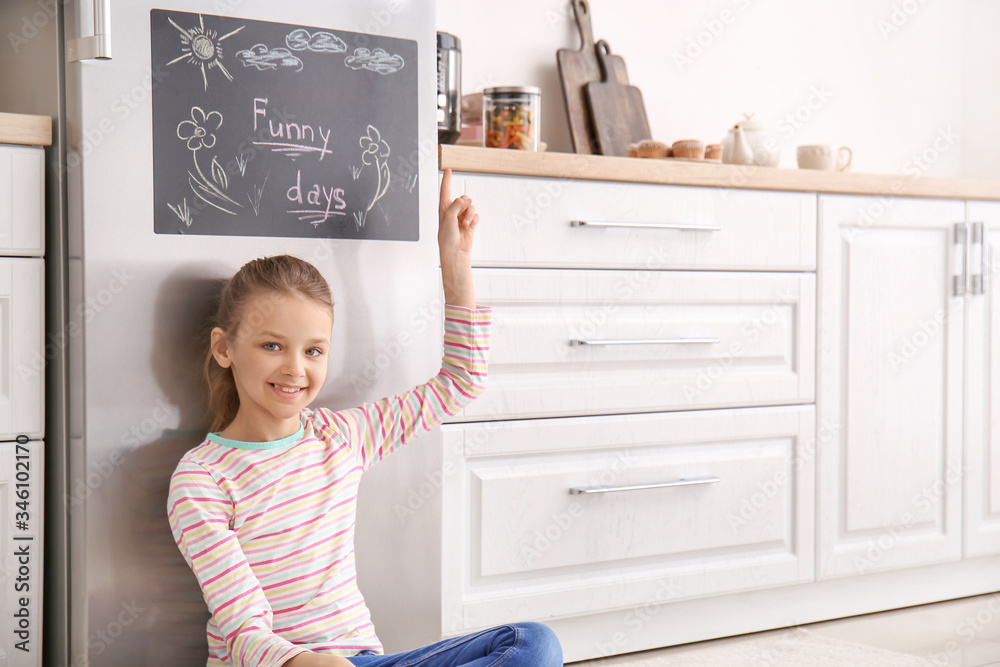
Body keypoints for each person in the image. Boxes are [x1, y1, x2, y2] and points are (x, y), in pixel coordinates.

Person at [167, 170, 564, 667]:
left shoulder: (342, 437)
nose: (295, 368)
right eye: (272, 346)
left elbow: (459, 382)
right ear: (225, 348)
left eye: (313, 350)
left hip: (361, 662)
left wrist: (455, 266)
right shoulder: (202, 480)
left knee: (534, 644)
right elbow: (245, 634)